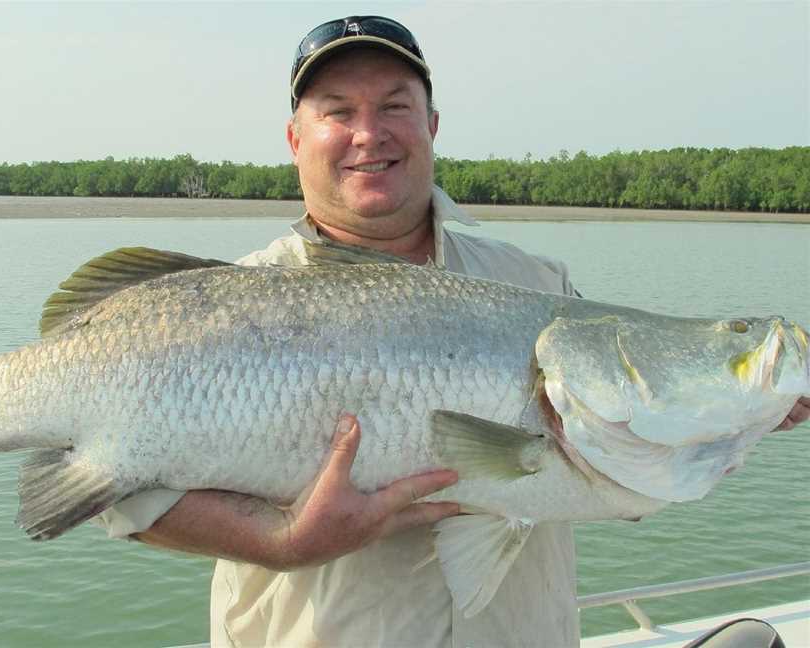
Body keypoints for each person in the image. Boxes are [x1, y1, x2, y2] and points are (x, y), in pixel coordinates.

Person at [97, 15, 810, 648]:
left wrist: (733, 413)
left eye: (394, 106)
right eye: (338, 111)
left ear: (431, 125)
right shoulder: (210, 306)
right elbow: (112, 491)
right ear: (294, 139)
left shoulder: (539, 284)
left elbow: (613, 447)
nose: (368, 133)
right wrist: (280, 543)